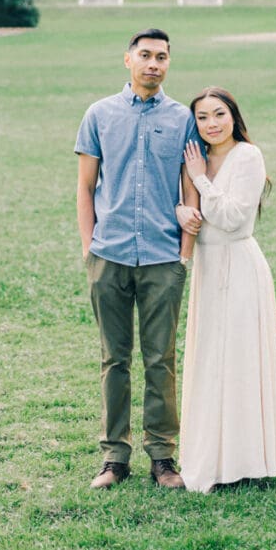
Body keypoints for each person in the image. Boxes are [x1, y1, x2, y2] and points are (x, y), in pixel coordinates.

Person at [75, 28, 200, 490]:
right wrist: (90, 248)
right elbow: (85, 186)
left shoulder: (182, 118)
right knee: (114, 358)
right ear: (127, 60)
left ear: (169, 63)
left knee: (160, 358)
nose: (153, 63)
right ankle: (114, 458)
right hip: (109, 256)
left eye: (162, 57)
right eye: (145, 55)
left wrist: (184, 255)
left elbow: (190, 185)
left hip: (164, 257)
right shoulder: (99, 114)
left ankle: (163, 457)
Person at [175, 87, 276, 494]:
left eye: (219, 114)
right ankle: (213, 454)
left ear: (233, 116)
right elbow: (187, 208)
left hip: (240, 266)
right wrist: (183, 202)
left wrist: (201, 181)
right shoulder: (196, 158)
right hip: (208, 268)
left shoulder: (248, 156)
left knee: (240, 359)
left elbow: (231, 217)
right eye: (203, 117)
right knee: (210, 358)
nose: (212, 124)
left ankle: (247, 457)